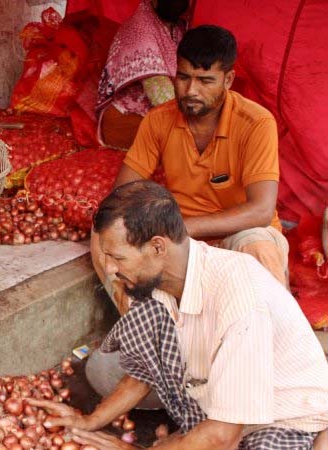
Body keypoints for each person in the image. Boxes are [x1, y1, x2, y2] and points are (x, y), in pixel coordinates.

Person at [32, 181, 328, 449]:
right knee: (105, 370)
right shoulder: (152, 284)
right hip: (218, 410)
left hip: (284, 419)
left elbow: (223, 434)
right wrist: (90, 421)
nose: (109, 269)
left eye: (118, 258)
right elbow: (143, 371)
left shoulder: (239, 296)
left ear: (158, 247)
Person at [92, 24, 289, 318]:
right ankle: (147, 329)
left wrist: (183, 228)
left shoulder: (256, 122)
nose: (191, 91)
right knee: (103, 230)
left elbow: (261, 211)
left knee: (257, 245)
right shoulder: (158, 120)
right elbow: (122, 195)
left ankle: (276, 340)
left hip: (235, 235)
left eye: (205, 81)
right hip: (183, 242)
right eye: (183, 78)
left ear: (229, 80)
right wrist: (143, 230)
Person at [96, 0, 189, 149]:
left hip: (160, 113)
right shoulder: (140, 28)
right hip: (125, 120)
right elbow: (160, 93)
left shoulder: (178, 27)